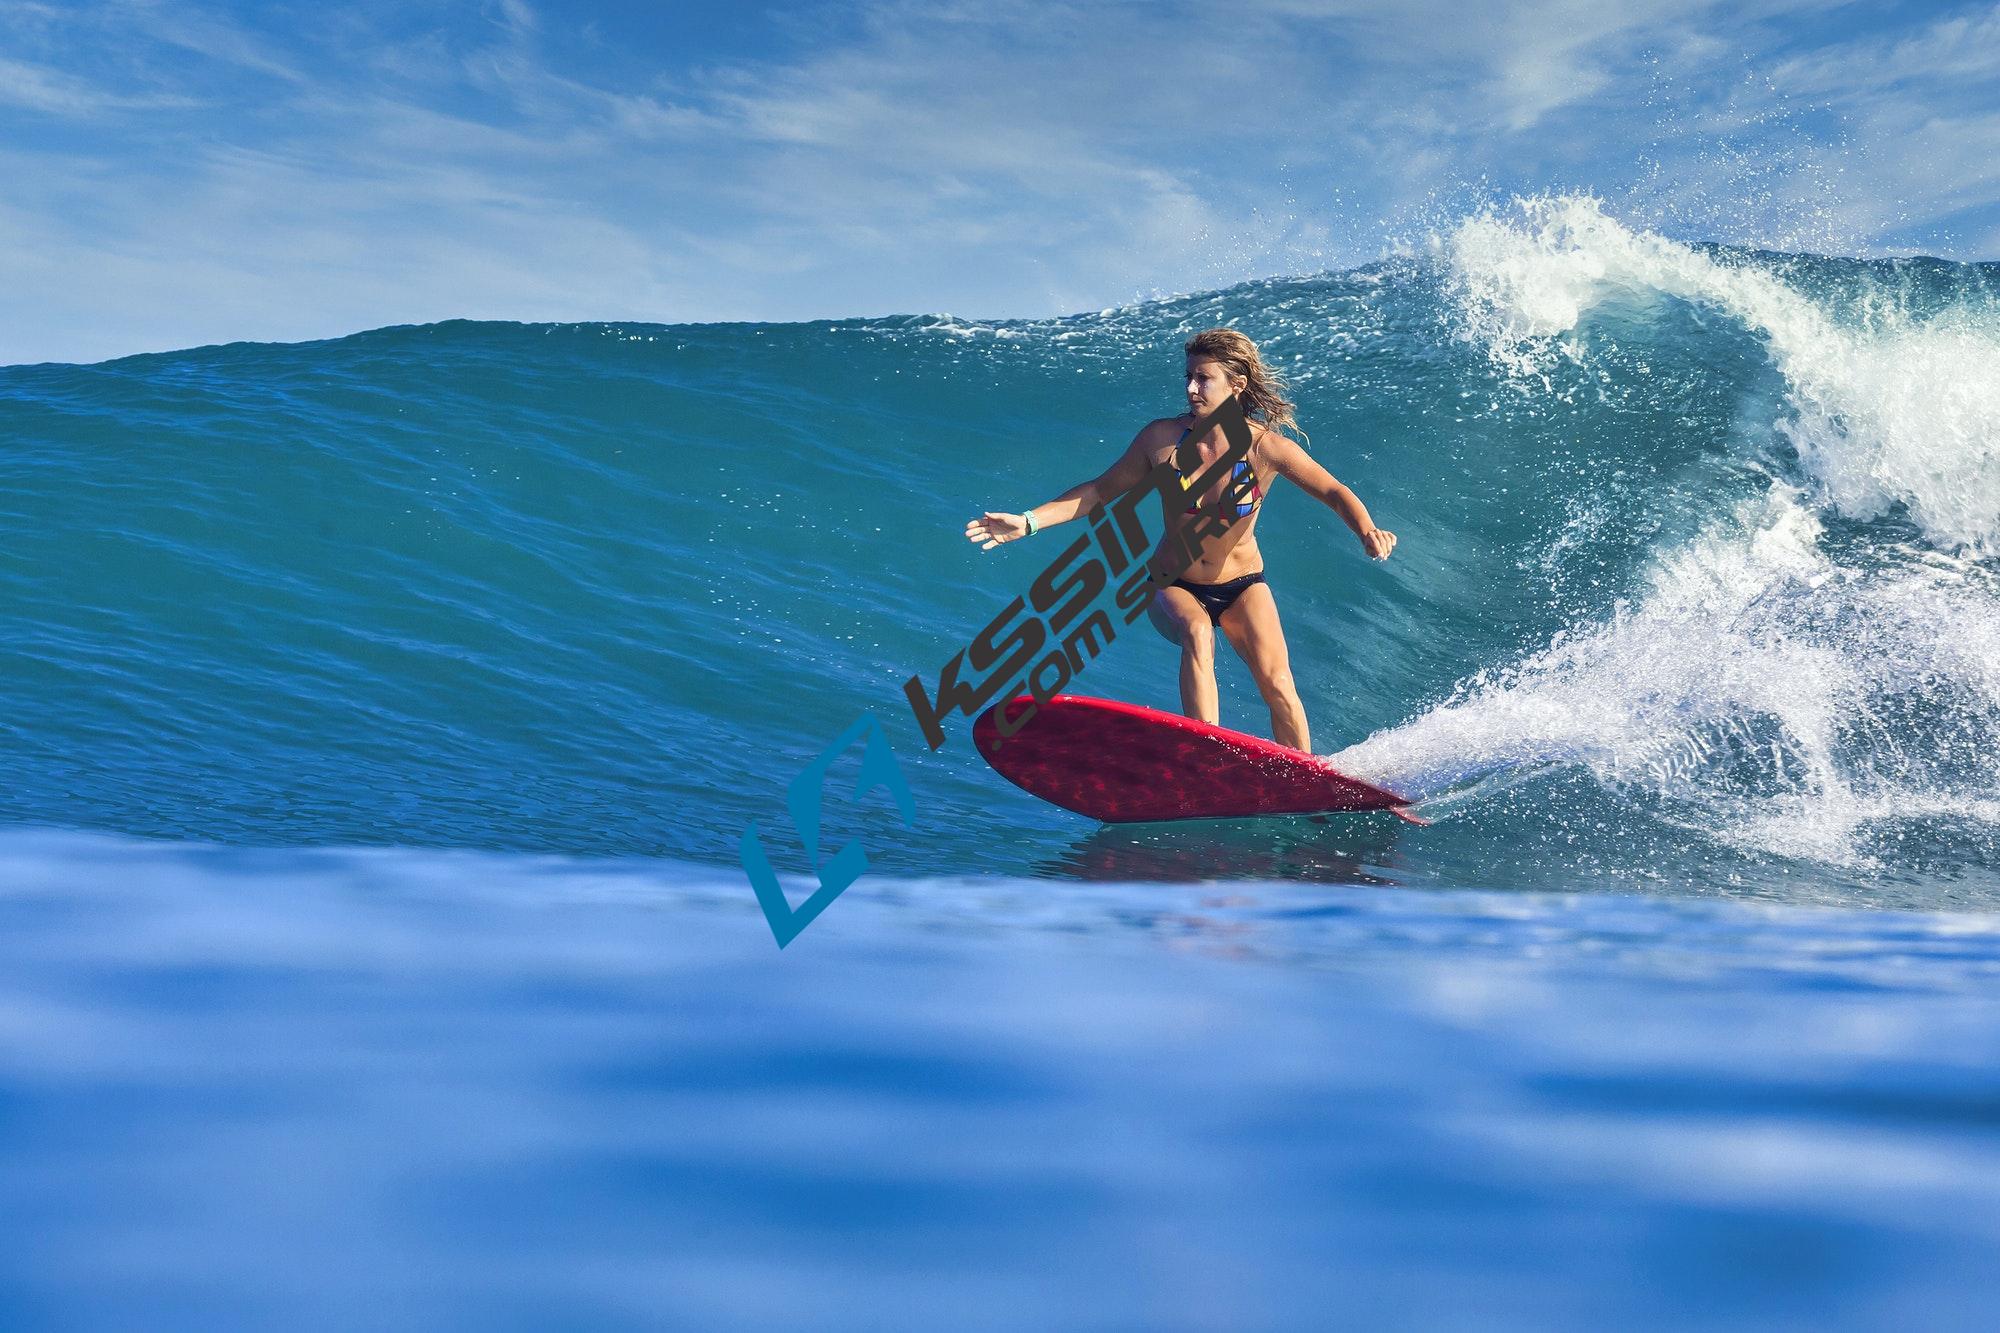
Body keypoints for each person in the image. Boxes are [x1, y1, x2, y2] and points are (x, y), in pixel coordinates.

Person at [963, 327, 1395, 753]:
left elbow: (1334, 491)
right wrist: (1028, 521)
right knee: (1196, 631)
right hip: (1173, 583)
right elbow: (1099, 491)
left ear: (1236, 384)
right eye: (1188, 376)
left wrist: (1366, 529)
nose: (1191, 387)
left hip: (1243, 584)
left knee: (1278, 683)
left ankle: (1308, 779)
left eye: (1203, 378)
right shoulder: (1161, 440)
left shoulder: (1265, 449)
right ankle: (1206, 753)